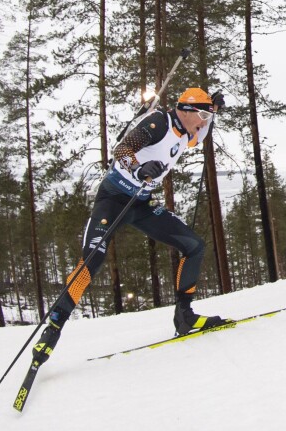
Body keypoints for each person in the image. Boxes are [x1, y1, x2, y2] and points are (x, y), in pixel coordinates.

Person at [32, 87, 226, 365]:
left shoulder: (190, 132)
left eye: (208, 115)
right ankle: (53, 328)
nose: (205, 121)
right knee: (91, 262)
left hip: (140, 205)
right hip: (113, 200)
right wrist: (138, 169)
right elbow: (121, 149)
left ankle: (184, 316)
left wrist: (214, 109)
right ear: (186, 110)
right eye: (203, 114)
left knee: (193, 246)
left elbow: (203, 130)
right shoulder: (159, 122)